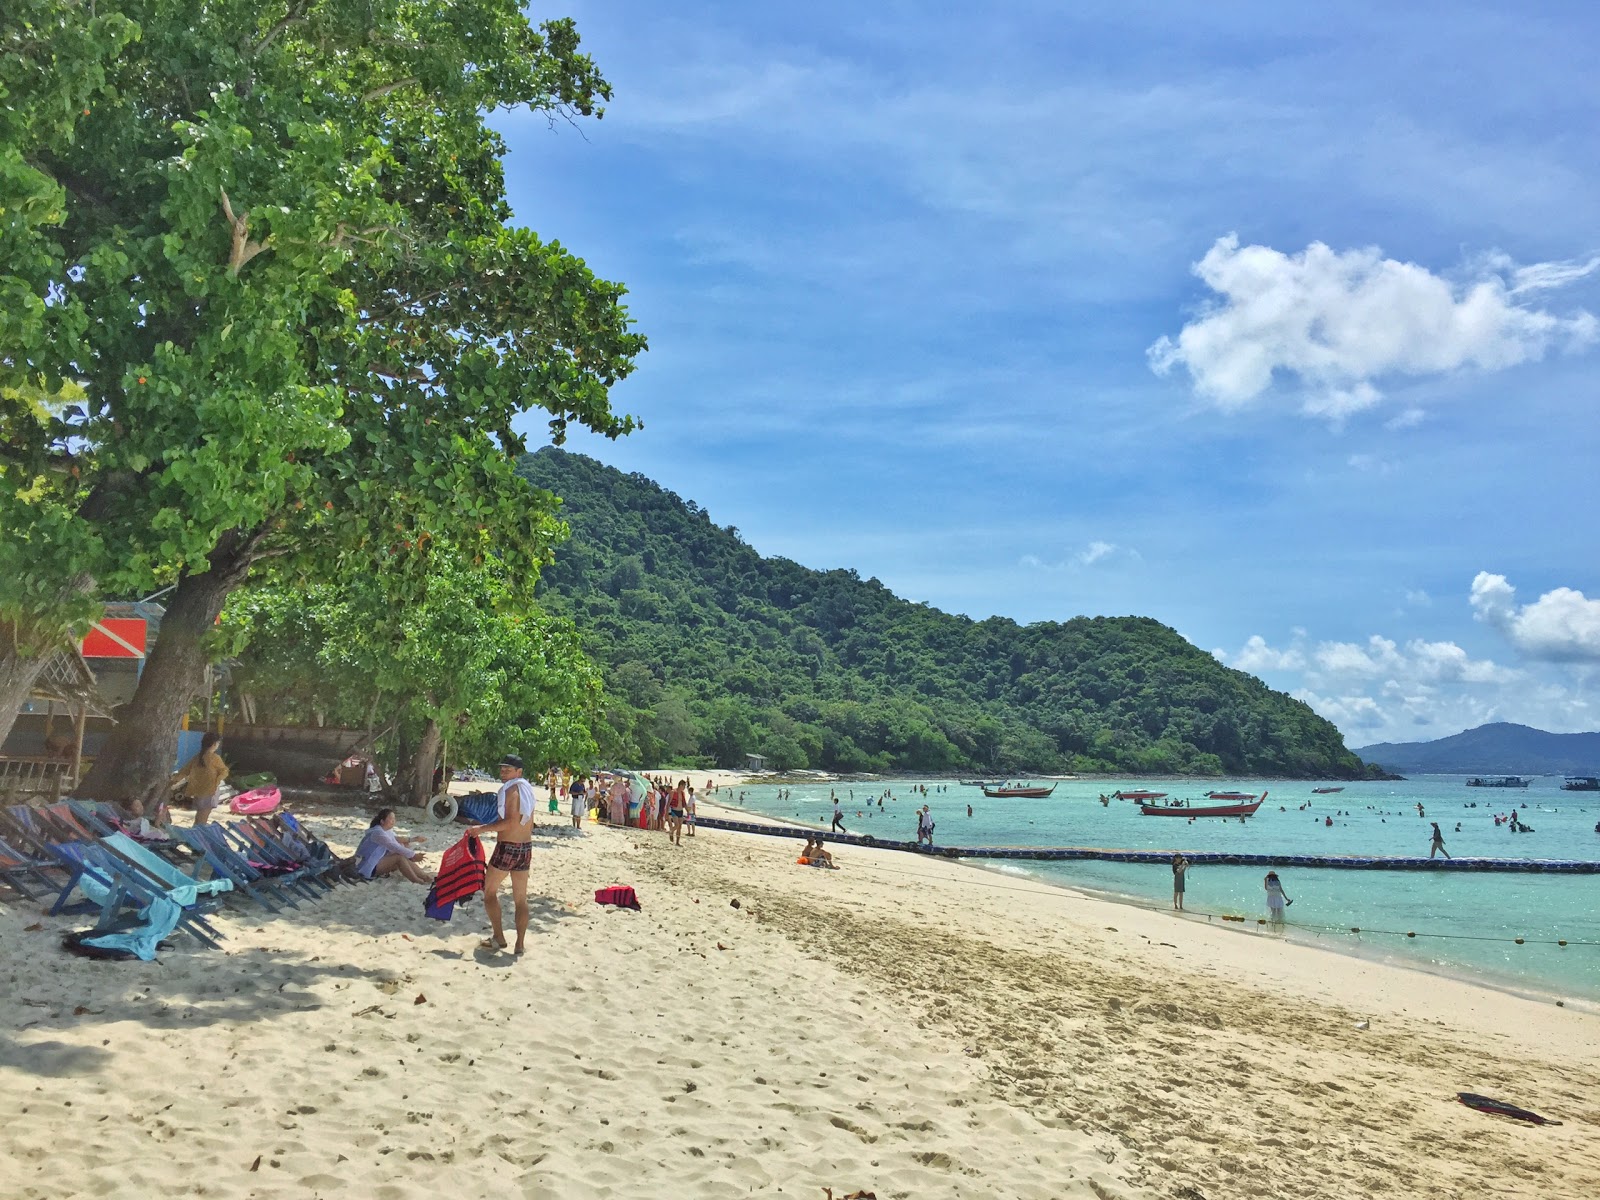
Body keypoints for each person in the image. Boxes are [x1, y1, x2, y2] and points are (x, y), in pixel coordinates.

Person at [464, 754, 538, 955]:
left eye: (508, 769)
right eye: (502, 768)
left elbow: (510, 822)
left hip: (508, 846)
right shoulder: (527, 789)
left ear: (518, 772)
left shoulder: (513, 790)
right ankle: (520, 944)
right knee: (520, 899)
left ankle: (499, 936)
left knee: (489, 892)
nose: (504, 772)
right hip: (525, 847)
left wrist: (482, 829)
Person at [353, 809, 430, 883]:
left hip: (377, 861)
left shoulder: (386, 831)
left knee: (402, 854)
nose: (393, 821)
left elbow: (396, 840)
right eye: (391, 819)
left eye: (394, 819)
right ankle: (417, 880)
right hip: (366, 865)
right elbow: (393, 846)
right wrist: (413, 855)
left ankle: (425, 877)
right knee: (399, 858)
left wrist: (413, 840)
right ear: (382, 821)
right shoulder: (377, 833)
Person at [171, 732, 229, 826]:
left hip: (197, 791)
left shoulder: (197, 757)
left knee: (199, 816)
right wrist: (217, 780)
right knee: (203, 818)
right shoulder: (215, 758)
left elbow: (184, 771)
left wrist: (173, 780)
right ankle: (198, 836)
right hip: (210, 791)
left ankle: (195, 832)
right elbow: (224, 771)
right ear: (214, 744)